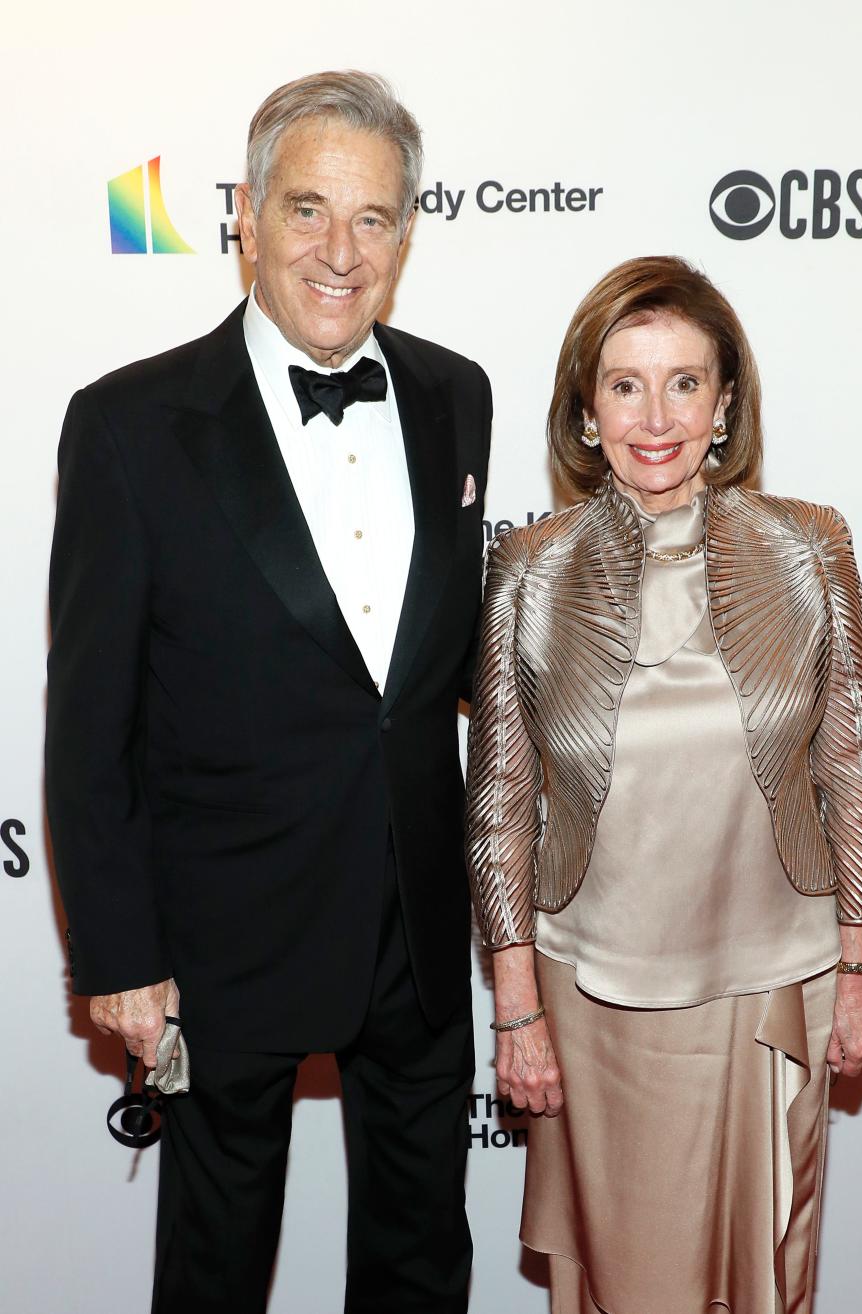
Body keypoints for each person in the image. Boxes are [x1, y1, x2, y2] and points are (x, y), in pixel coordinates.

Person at [46, 71, 491, 1314]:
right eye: (306, 210)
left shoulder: (459, 394)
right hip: (217, 934)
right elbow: (90, 724)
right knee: (216, 1263)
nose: (339, 253)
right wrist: (119, 955)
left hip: (412, 912)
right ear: (242, 215)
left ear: (408, 232)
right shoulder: (130, 424)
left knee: (421, 1254)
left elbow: (435, 665)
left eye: (373, 218)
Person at [465, 256, 862, 1314]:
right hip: (592, 995)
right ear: (584, 412)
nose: (653, 416)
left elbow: (860, 763)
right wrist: (515, 1013)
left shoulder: (809, 548)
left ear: (725, 404)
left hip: (774, 986)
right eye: (623, 384)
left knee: (767, 1276)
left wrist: (859, 966)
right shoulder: (531, 566)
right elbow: (499, 805)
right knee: (626, 1284)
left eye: (684, 382)